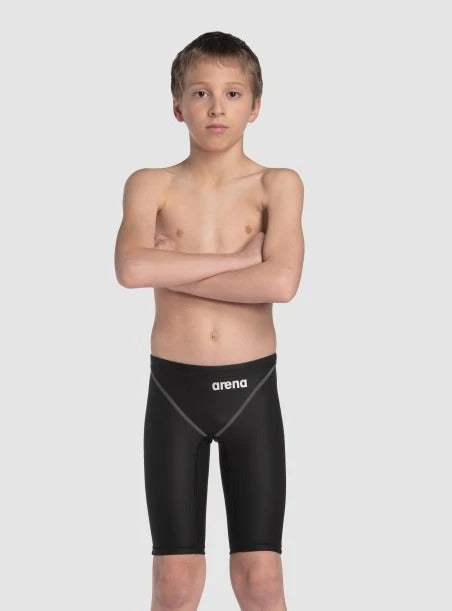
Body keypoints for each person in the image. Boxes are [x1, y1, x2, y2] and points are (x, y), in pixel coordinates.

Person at [114, 30, 304, 611]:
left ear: (256, 106)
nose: (217, 107)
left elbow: (281, 283)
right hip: (176, 392)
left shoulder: (278, 184)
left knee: (260, 579)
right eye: (200, 93)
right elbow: (129, 268)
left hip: (252, 391)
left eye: (232, 93)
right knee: (175, 583)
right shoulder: (151, 184)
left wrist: (170, 270)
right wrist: (240, 261)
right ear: (178, 106)